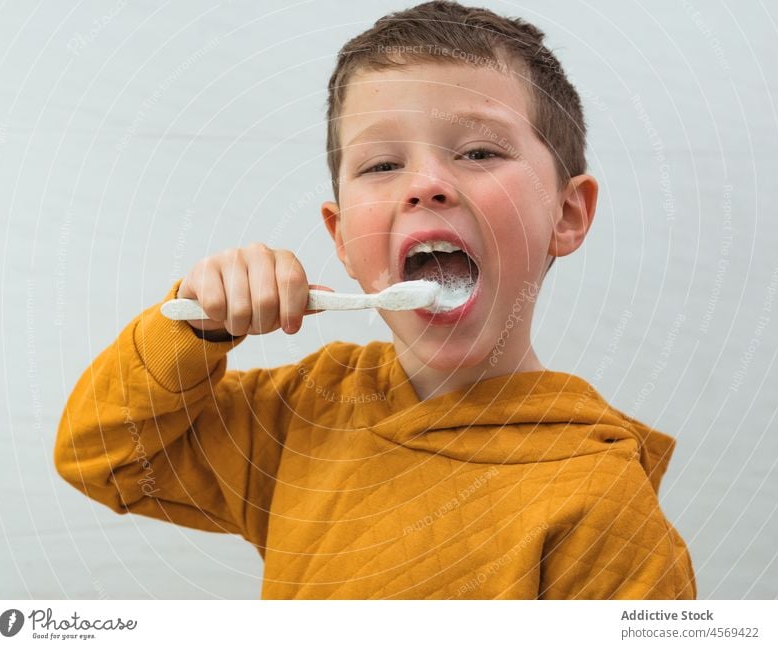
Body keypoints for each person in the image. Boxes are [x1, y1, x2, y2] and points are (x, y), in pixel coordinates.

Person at [54, 0, 696, 599]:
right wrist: (196, 329)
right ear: (343, 238)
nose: (426, 185)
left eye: (479, 151)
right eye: (382, 165)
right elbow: (100, 455)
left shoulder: (600, 505)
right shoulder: (304, 417)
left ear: (567, 213)